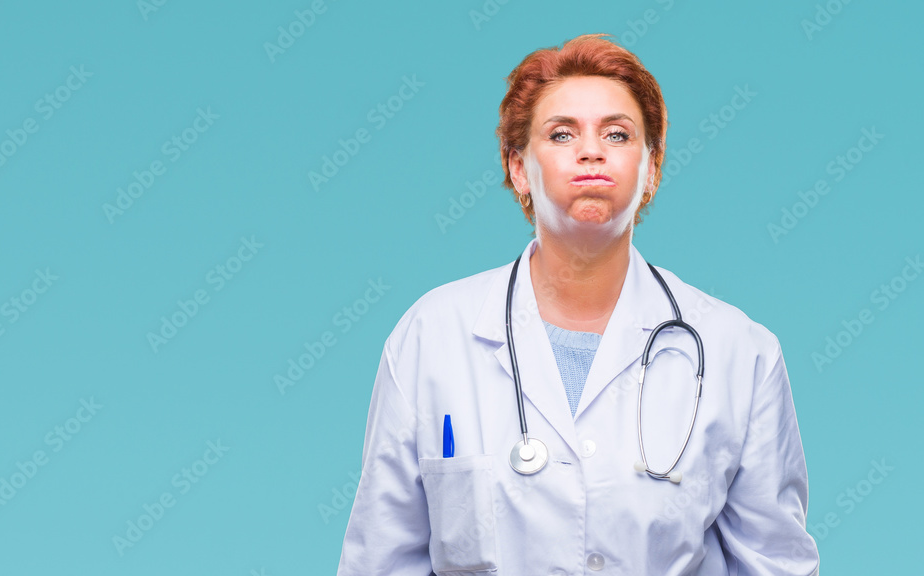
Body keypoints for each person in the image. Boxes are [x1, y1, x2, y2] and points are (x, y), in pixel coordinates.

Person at [336, 33, 819, 575]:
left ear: (651, 167)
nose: (591, 151)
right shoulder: (432, 336)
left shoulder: (738, 352)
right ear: (518, 167)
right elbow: (381, 561)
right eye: (562, 134)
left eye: (617, 134)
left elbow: (775, 565)